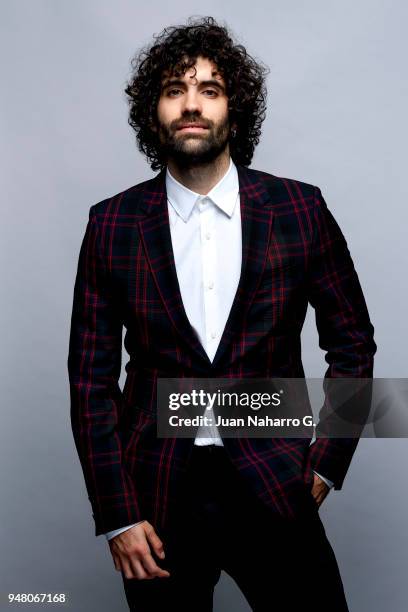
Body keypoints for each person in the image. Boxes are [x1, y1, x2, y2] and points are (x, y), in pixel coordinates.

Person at [67, 16, 377, 611]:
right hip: (156, 495)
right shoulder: (111, 224)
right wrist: (116, 513)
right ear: (152, 111)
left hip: (275, 477)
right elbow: (90, 382)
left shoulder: (299, 208)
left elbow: (353, 344)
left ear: (234, 110)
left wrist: (328, 460)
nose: (192, 105)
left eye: (210, 90)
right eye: (174, 90)